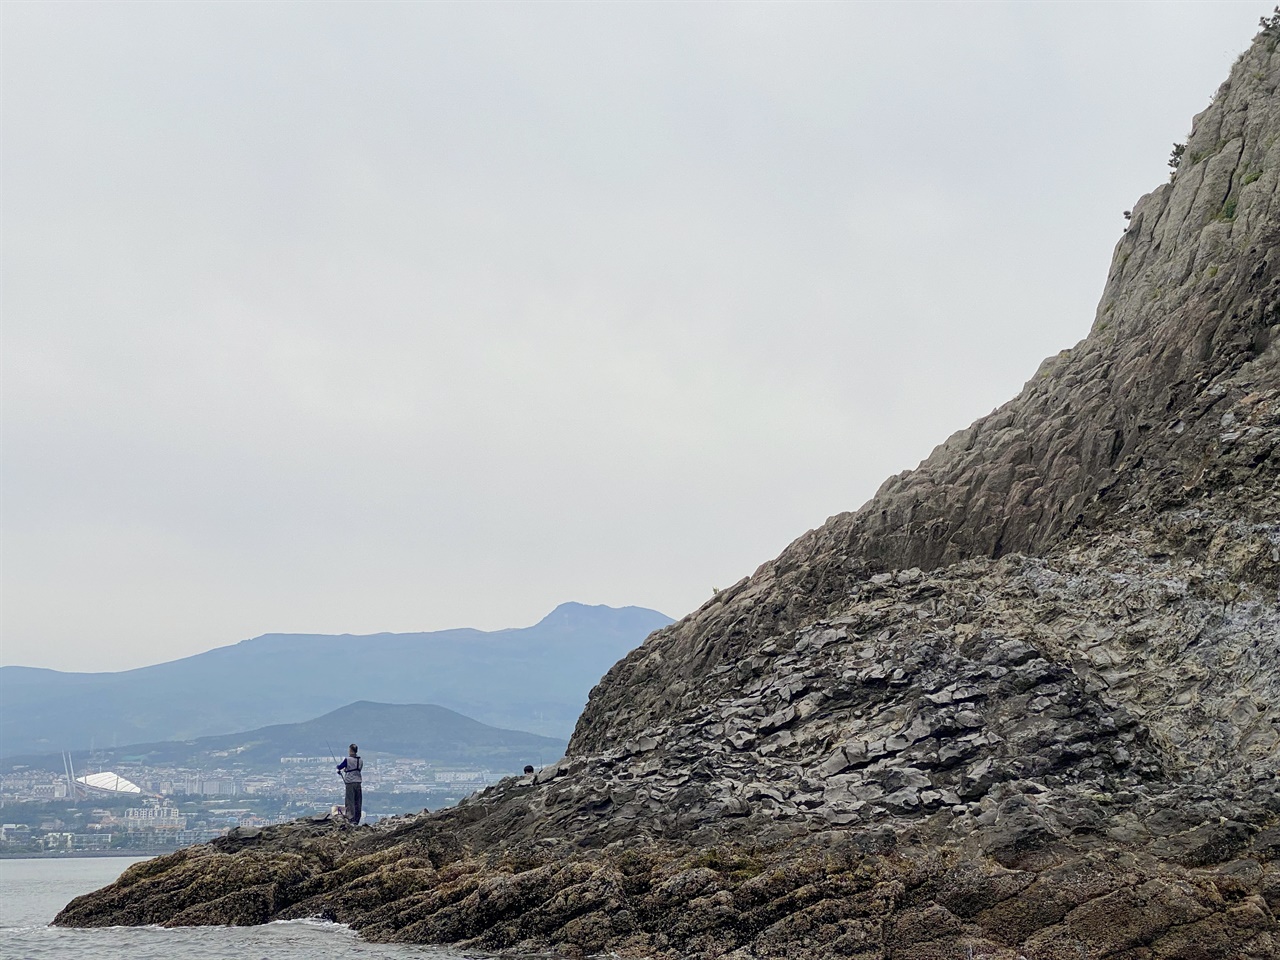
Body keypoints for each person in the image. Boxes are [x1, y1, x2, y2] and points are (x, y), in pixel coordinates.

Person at [336, 743, 363, 824]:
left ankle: (350, 818)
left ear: (351, 750)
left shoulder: (347, 759)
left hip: (350, 782)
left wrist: (340, 768)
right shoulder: (360, 760)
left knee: (350, 801)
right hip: (358, 781)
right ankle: (357, 819)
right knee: (357, 801)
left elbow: (340, 766)